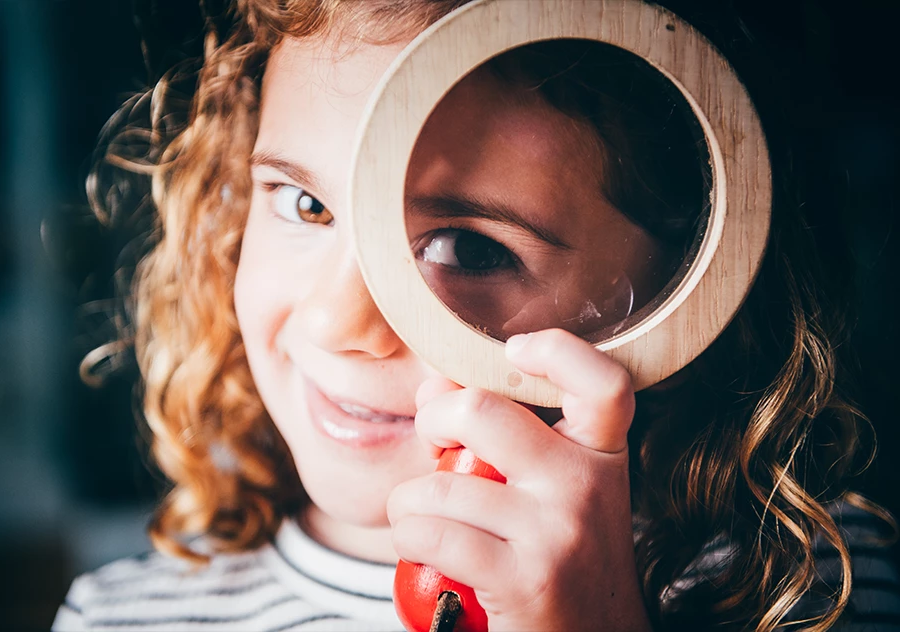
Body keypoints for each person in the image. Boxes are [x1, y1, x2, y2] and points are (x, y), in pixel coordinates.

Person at [53, 0, 900, 630]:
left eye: (470, 248)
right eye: (307, 205)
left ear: (673, 297)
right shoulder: (122, 616)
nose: (335, 322)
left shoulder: (807, 584)